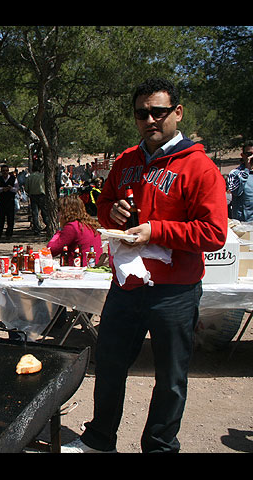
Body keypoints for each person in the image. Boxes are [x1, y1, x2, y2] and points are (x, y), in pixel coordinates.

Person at [62, 78, 228, 453]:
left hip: (175, 291)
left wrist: (156, 231)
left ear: (177, 113)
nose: (150, 119)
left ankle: (159, 446)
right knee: (108, 365)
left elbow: (214, 233)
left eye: (158, 112)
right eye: (142, 113)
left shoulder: (199, 167)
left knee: (170, 378)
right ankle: (99, 439)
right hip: (128, 285)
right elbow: (102, 207)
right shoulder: (125, 161)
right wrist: (112, 210)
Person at [47, 195, 102, 265]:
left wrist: (59, 230)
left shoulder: (72, 227)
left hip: (80, 269)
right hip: (94, 266)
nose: (58, 214)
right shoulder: (90, 224)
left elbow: (51, 250)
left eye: (59, 210)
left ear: (65, 211)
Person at [227, 140, 253, 222]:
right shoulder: (235, 173)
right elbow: (236, 191)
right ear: (243, 155)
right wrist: (247, 170)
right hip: (243, 224)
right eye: (249, 154)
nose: (252, 157)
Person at [0, 164, 18, 239]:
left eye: (6, 171)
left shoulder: (13, 179)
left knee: (10, 219)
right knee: (0, 219)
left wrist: (11, 188)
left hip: (10, 201)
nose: (5, 172)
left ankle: (9, 234)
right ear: (1, 171)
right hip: (2, 201)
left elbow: (16, 189)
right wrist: (2, 189)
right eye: (3, 171)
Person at [25, 164, 48, 233]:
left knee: (35, 213)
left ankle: (36, 229)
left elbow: (26, 188)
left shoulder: (29, 177)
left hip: (33, 196)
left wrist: (29, 192)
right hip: (42, 196)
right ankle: (48, 224)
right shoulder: (43, 176)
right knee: (44, 212)